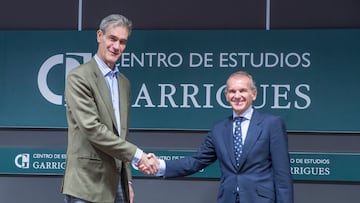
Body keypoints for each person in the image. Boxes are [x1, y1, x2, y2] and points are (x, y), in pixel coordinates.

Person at [150, 71, 294, 203]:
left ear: (254, 94)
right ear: (226, 95)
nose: (237, 96)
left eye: (242, 90)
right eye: (232, 91)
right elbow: (197, 161)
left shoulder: (272, 123)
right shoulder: (218, 129)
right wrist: (160, 166)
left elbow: (283, 175)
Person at [61, 14, 158, 203]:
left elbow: (121, 135)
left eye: (122, 42)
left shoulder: (124, 83)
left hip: (117, 183)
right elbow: (92, 129)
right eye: (112, 38)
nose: (116, 46)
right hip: (86, 183)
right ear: (100, 36)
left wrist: (127, 179)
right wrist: (138, 156)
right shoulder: (79, 77)